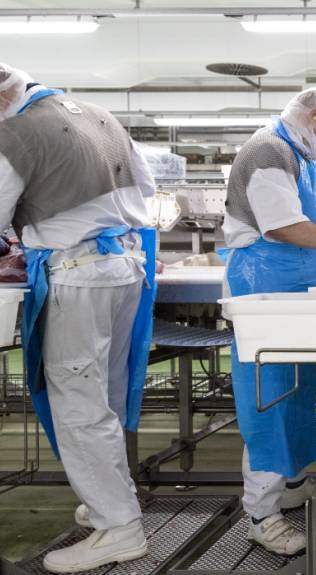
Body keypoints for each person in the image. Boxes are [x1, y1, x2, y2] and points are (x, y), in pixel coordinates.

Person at [0, 63, 158, 572]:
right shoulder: (98, 115)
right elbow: (147, 188)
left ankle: (120, 528)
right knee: (103, 397)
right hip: (125, 268)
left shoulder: (16, 135)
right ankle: (108, 501)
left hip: (78, 275)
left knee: (79, 404)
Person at [223, 87, 316, 555]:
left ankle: (289, 485)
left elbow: (309, 212)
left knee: (298, 391)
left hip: (292, 285)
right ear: (313, 117)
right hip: (263, 284)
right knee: (269, 397)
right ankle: (261, 515)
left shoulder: (299, 155)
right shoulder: (268, 151)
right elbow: (282, 225)